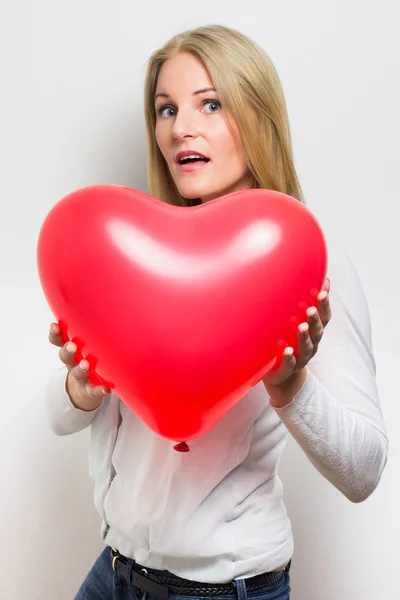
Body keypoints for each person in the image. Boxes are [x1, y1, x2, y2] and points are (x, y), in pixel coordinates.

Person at [45, 24, 388, 600]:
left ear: (259, 115)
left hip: (222, 592)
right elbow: (59, 419)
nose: (180, 128)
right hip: (114, 574)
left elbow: (364, 472)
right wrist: (82, 387)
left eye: (210, 103)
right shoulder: (133, 254)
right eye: (165, 109)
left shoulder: (307, 263)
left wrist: (291, 385)